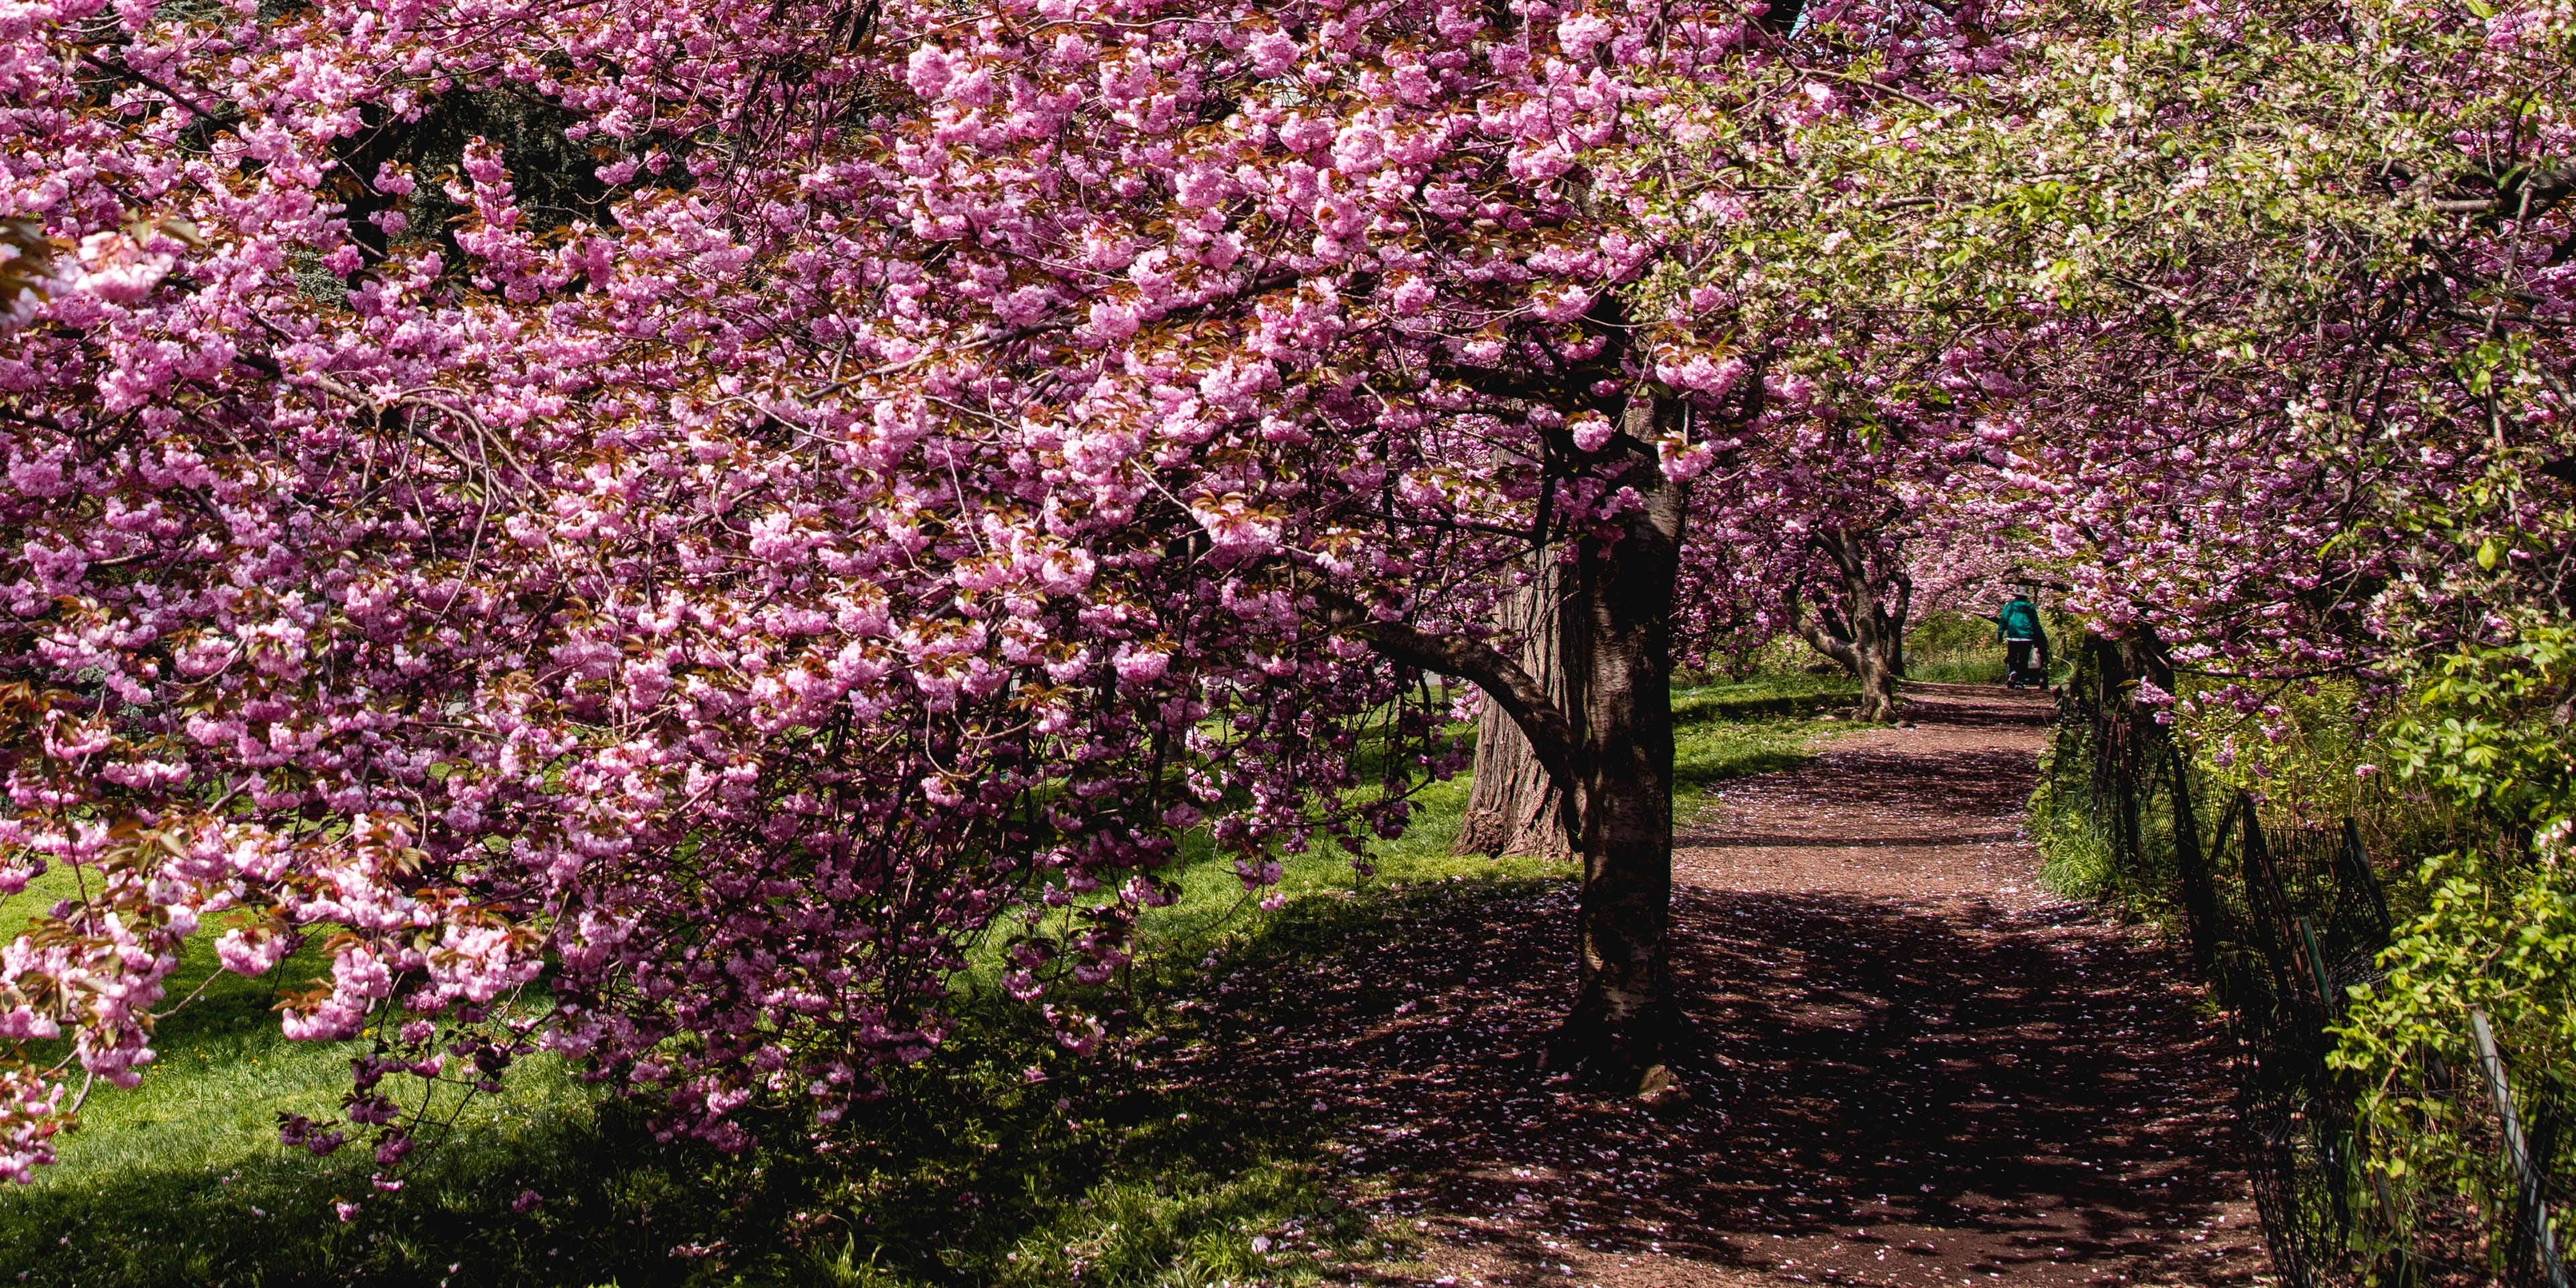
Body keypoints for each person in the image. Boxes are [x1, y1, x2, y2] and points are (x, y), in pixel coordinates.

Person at [1996, 592, 2049, 689]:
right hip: (2027, 636)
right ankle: (2020, 681)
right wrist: (2039, 638)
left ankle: (2012, 673)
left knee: (2012, 657)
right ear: (2026, 597)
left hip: (2013, 636)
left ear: (2016, 596)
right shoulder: (2030, 606)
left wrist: (2000, 633)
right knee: (2023, 659)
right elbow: (2035, 623)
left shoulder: (2011, 605)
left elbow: (2004, 619)